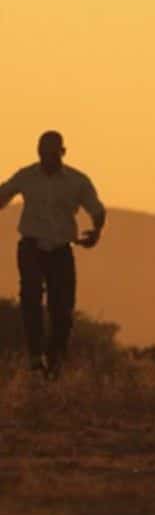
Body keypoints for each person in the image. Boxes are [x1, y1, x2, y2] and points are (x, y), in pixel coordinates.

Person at [0, 131, 106, 379]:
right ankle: (36, 357)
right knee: (31, 298)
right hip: (31, 246)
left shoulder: (77, 181)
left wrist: (96, 232)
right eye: (43, 153)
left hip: (61, 250)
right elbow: (3, 195)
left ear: (62, 152)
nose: (47, 158)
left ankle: (55, 361)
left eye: (52, 153)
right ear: (38, 152)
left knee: (63, 308)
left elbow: (97, 209)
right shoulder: (26, 176)